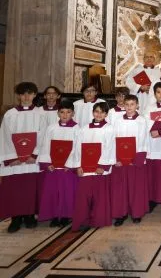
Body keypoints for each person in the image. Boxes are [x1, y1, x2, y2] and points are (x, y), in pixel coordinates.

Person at [0, 82, 45, 232]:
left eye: (29, 93)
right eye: (23, 94)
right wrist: (12, 157)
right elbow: (5, 136)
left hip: (32, 160)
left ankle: (29, 215)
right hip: (15, 161)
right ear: (19, 96)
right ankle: (15, 218)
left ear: (34, 95)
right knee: (15, 189)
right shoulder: (10, 114)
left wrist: (35, 154)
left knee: (30, 188)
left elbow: (43, 134)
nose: (26, 97)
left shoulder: (40, 113)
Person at [68, 102, 115, 231]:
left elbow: (110, 148)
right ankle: (82, 220)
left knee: (100, 196)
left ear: (106, 114)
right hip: (85, 169)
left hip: (100, 169)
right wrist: (78, 165)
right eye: (96, 111)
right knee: (83, 196)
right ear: (93, 112)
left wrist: (102, 165)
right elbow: (77, 148)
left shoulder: (109, 129)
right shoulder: (84, 129)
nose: (99, 114)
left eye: (102, 112)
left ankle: (99, 219)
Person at [36, 100, 79, 227]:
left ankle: (66, 215)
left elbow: (77, 148)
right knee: (53, 191)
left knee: (68, 191)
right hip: (53, 167)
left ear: (73, 113)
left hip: (67, 168)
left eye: (68, 112)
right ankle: (54, 215)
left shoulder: (77, 129)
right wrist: (47, 163)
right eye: (62, 112)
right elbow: (45, 145)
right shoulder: (51, 128)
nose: (65, 115)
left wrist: (70, 164)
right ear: (58, 113)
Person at [111, 95, 149, 226]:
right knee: (120, 188)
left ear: (137, 105)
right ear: (123, 105)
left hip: (135, 161)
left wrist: (136, 159)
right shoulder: (117, 121)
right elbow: (113, 140)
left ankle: (136, 213)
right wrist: (116, 158)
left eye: (132, 104)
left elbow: (143, 140)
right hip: (120, 161)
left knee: (135, 188)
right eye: (127, 104)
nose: (129, 107)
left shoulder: (142, 121)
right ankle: (121, 213)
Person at [143, 82, 161, 213]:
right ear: (154, 94)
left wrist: (160, 130)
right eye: (158, 92)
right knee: (152, 175)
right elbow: (145, 126)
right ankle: (152, 199)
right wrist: (160, 124)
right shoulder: (148, 109)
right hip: (152, 146)